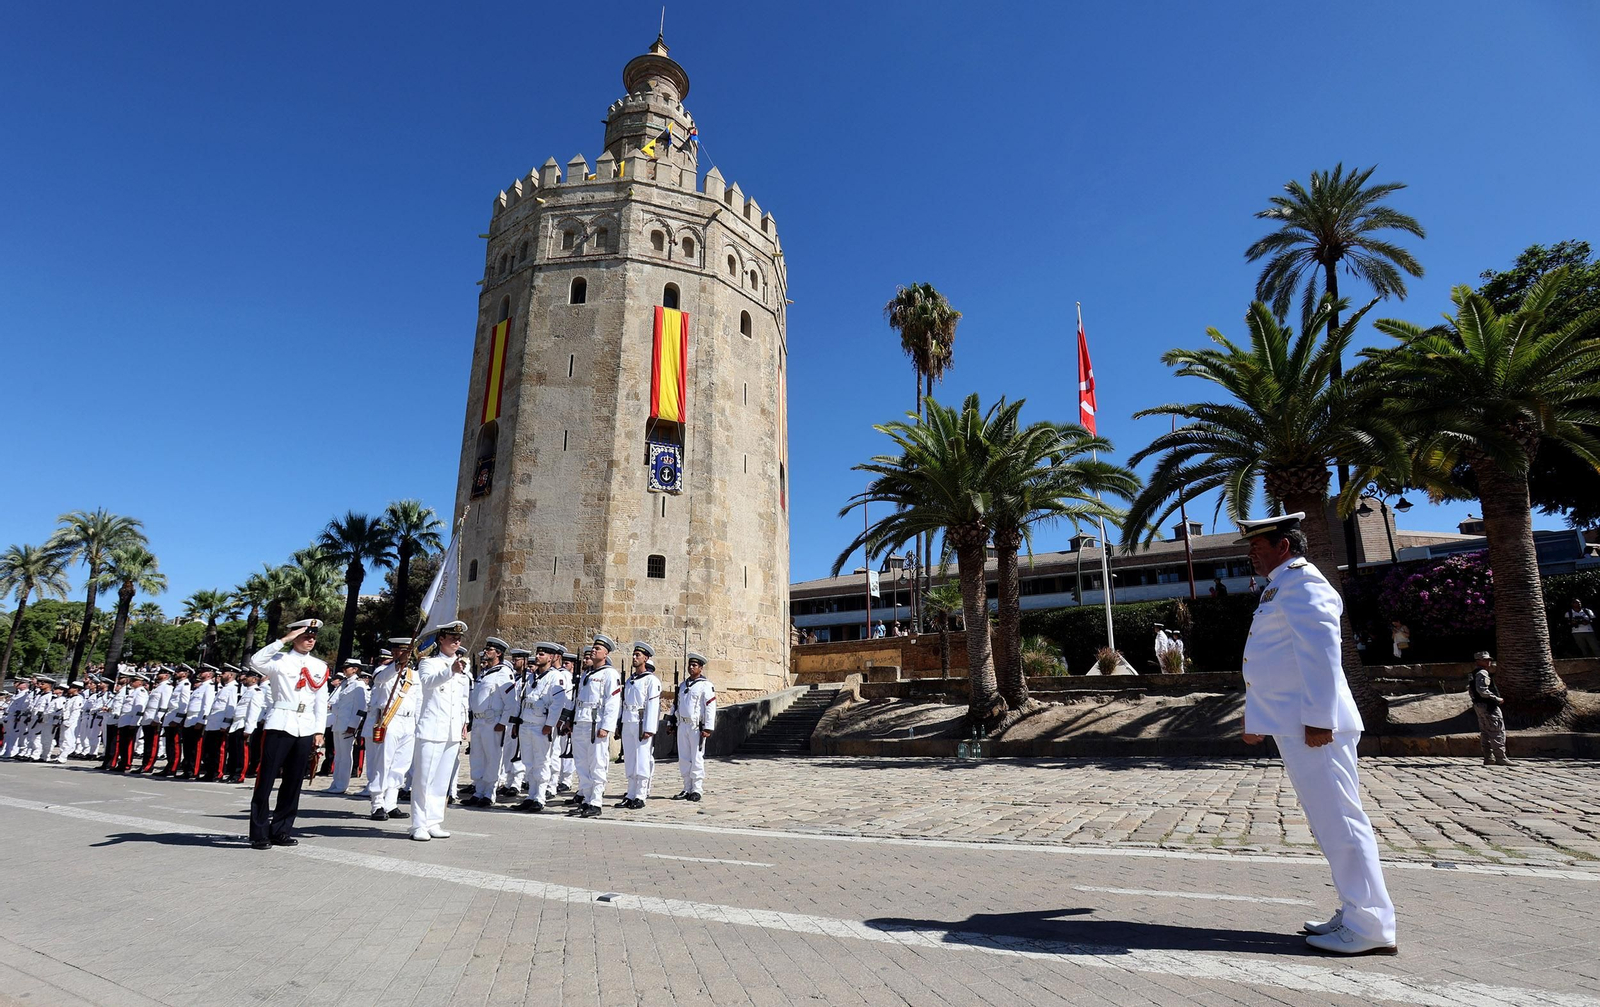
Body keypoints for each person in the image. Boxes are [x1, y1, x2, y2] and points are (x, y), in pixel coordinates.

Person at [1236, 512, 1396, 955]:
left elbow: (1322, 652)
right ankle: (1356, 909)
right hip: (1298, 724)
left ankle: (1370, 924)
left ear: (1283, 546)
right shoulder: (1283, 584)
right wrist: (1258, 719)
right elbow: (1279, 660)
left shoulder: (1304, 583)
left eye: (1257, 547)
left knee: (1341, 821)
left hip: (1315, 728)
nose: (1252, 555)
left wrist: (1320, 719)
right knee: (1330, 822)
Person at [247, 619, 330, 850]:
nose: (310, 640)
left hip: (305, 726)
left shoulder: (319, 666)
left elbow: (321, 701)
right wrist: (283, 640)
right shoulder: (278, 660)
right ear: (295, 637)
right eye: (305, 636)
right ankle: (259, 832)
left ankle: (281, 830)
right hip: (281, 722)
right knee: (266, 779)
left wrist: (319, 730)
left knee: (293, 781)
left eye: (313, 637)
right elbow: (255, 661)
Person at [409, 621, 471, 841]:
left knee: (442, 780)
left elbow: (462, 699)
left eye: (459, 639)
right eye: (452, 638)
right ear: (441, 639)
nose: (456, 642)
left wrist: (464, 722)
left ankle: (433, 821)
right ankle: (418, 824)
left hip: (451, 730)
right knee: (424, 779)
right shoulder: (429, 663)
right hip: (432, 729)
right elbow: (428, 683)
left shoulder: (464, 666)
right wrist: (450, 671)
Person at [564, 635, 621, 818]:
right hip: (581, 722)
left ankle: (596, 801)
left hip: (596, 724)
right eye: (593, 648)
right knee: (582, 764)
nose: (593, 651)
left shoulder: (609, 674)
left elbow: (612, 702)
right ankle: (586, 799)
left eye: (598, 649)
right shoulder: (587, 674)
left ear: (606, 654)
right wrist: (571, 720)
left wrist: (606, 726)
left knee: (597, 763)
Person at [365, 638, 419, 822]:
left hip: (409, 721)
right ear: (394, 652)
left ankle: (391, 803)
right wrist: (397, 665)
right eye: (400, 651)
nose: (404, 655)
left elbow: (418, 700)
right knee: (383, 763)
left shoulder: (413, 675)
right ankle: (377, 804)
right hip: (390, 719)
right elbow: (381, 679)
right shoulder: (383, 670)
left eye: (407, 652)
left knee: (400, 765)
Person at [514, 642, 567, 812]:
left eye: (542, 654)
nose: (537, 657)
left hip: (540, 725)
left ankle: (540, 797)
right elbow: (521, 700)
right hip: (526, 723)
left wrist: (549, 724)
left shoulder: (555, 677)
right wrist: (517, 722)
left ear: (551, 658)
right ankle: (531, 795)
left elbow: (557, 703)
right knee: (528, 761)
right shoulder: (531, 676)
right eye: (537, 654)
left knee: (542, 761)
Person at [465, 637, 513, 806]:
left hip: (493, 722)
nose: (485, 652)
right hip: (479, 722)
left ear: (498, 653)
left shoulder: (503, 673)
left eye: (489, 650)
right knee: (477, 757)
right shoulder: (485, 673)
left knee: (492, 758)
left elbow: (511, 702)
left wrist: (503, 722)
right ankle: (478, 791)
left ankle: (489, 793)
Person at [617, 643, 662, 810]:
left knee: (642, 759)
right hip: (628, 721)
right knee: (629, 759)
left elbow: (653, 706)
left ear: (646, 658)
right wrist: (619, 723)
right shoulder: (630, 680)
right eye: (634, 655)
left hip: (641, 722)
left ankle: (641, 794)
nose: (635, 658)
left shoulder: (651, 680)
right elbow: (622, 703)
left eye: (638, 655)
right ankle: (630, 793)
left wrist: (649, 728)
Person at [672, 652, 716, 802]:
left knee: (696, 757)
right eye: (690, 665)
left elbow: (710, 707)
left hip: (696, 726)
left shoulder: (705, 685)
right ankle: (686, 787)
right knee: (684, 758)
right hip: (682, 724)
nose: (691, 667)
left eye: (694, 665)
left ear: (701, 668)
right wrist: (671, 722)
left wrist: (708, 727)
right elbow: (676, 704)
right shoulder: (683, 685)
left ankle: (697, 788)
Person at [327, 659, 368, 794]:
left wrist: (353, 725)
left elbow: (361, 707)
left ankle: (342, 785)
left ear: (355, 669)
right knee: (338, 756)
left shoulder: (358, 685)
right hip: (338, 722)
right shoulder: (344, 684)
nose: (344, 670)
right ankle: (335, 783)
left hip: (347, 724)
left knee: (345, 755)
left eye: (347, 668)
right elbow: (336, 702)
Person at [1468, 651, 1511, 766]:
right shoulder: (1482, 673)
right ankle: (1500, 757)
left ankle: (1488, 757)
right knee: (1497, 731)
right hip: (1488, 705)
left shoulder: (1473, 674)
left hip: (1479, 705)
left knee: (1485, 732)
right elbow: (1482, 690)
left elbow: (1471, 690)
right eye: (1485, 660)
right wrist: (1496, 698)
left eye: (1489, 659)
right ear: (1478, 661)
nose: (1489, 661)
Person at [178, 666, 216, 778]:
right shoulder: (200, 687)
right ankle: (187, 769)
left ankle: (194, 770)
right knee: (188, 748)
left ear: (209, 674)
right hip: (190, 719)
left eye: (203, 672)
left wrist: (201, 721)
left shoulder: (209, 687)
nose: (200, 673)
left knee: (196, 748)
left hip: (197, 720)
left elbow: (207, 705)